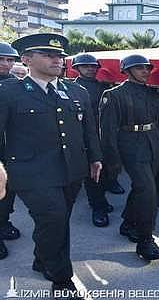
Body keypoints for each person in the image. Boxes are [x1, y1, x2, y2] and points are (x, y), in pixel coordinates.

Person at [2, 33, 102, 298]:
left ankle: (41, 257)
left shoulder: (76, 91)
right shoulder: (9, 92)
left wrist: (95, 158)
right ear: (26, 59)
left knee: (58, 220)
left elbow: (89, 129)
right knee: (55, 220)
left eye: (60, 55)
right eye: (48, 55)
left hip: (71, 169)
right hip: (30, 172)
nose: (57, 60)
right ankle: (62, 277)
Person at [99, 54, 159, 261]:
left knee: (141, 188)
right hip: (130, 145)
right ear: (126, 71)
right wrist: (112, 161)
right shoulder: (114, 94)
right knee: (148, 192)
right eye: (139, 68)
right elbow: (108, 130)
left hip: (152, 143)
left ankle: (128, 223)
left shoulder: (152, 93)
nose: (145, 71)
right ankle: (145, 240)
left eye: (147, 67)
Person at [71, 53, 117, 228]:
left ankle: (101, 200)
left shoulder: (104, 87)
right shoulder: (71, 88)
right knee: (93, 174)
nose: (90, 69)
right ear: (77, 69)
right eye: (85, 66)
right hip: (84, 136)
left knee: (107, 171)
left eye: (93, 66)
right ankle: (98, 207)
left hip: (105, 134)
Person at [0, 42, 21, 260]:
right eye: (1, 59)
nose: (6, 64)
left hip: (11, 151)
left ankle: (3, 223)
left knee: (8, 193)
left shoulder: (17, 85)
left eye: (9, 60)